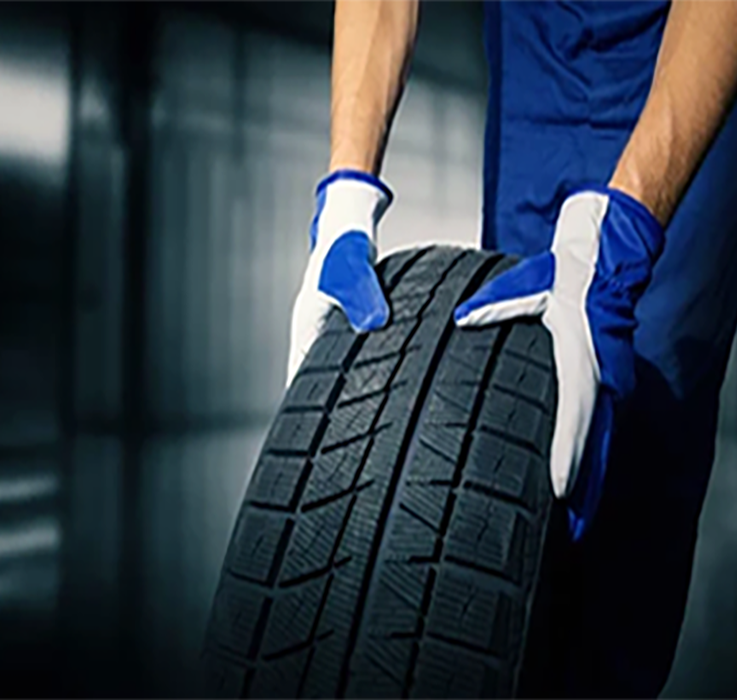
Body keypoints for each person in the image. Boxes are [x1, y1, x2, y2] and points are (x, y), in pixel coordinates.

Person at [286, 0, 737, 697]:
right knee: (517, 416)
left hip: (682, 45)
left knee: (636, 448)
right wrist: (345, 193)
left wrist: (622, 237)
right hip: (537, 48)